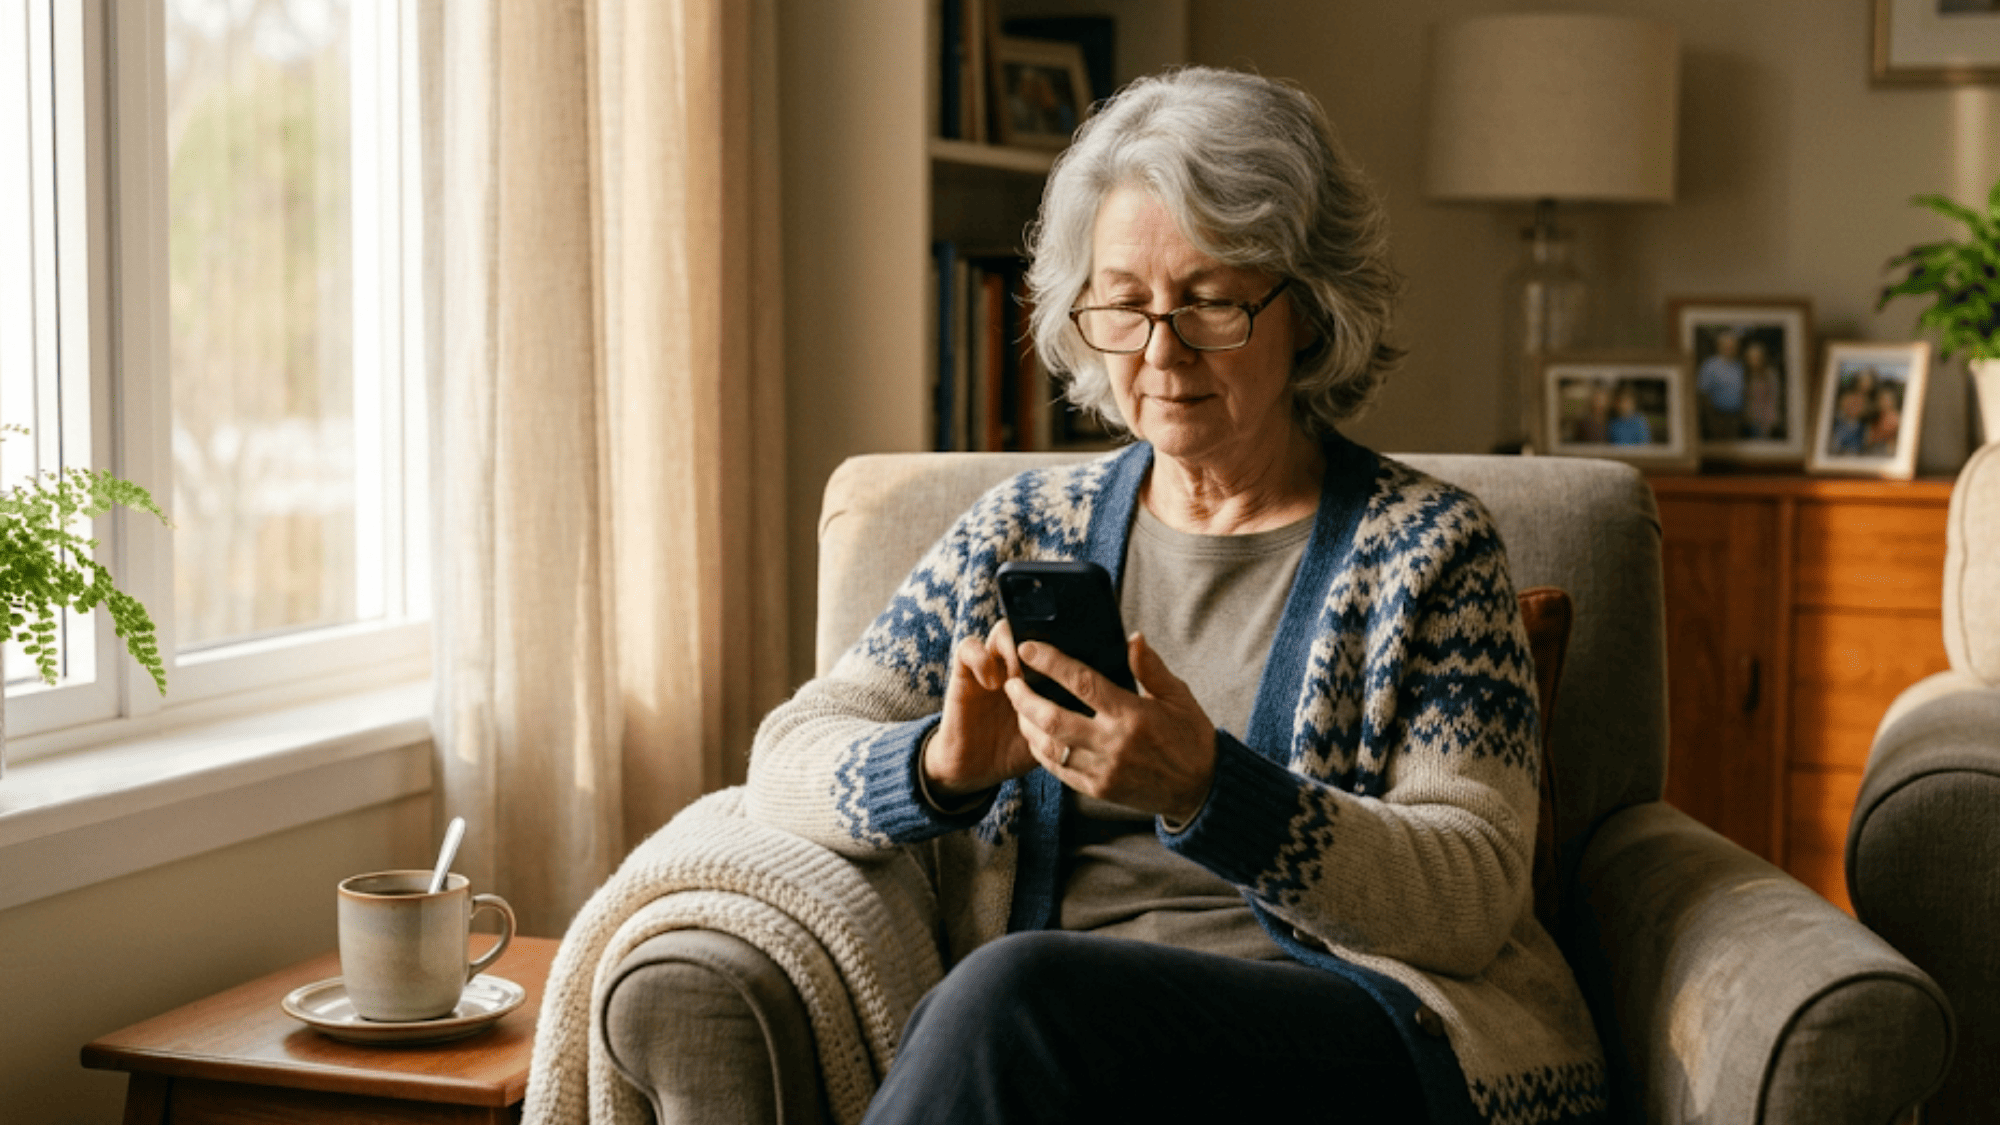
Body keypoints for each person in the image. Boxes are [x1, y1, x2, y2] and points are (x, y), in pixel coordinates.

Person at [745, 66, 1605, 1124]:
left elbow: (1471, 891)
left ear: (1307, 308)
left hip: (1348, 1033)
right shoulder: (1021, 531)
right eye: (1125, 304)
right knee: (1019, 1002)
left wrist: (1209, 790)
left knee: (1014, 994)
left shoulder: (1428, 552)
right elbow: (785, 760)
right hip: (1062, 1056)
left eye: (1208, 302)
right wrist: (941, 766)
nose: (1161, 351)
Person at [1697, 328, 1746, 441]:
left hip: (1736, 416)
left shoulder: (1739, 366)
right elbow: (1702, 392)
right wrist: (1710, 418)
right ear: (1719, 346)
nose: (1730, 348)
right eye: (1727, 346)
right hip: (1716, 416)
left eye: (1733, 346)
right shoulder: (1710, 365)